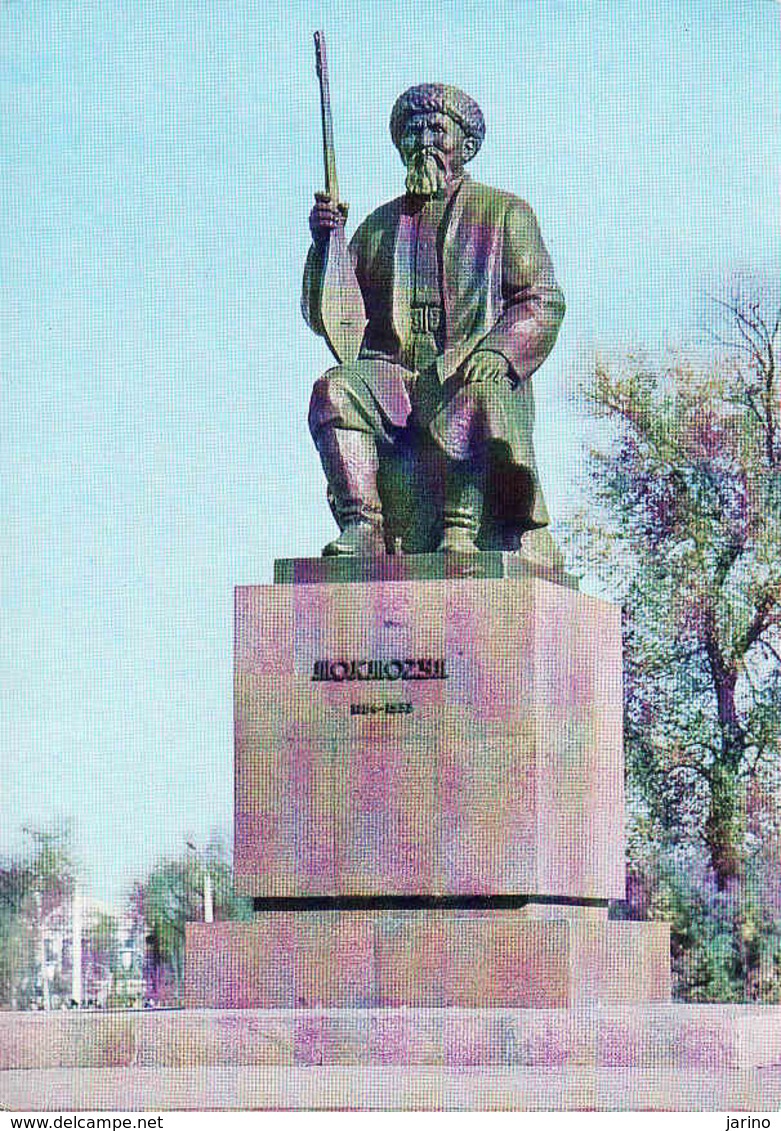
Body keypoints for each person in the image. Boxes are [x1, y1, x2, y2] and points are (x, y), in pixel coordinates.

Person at [303, 83, 565, 563]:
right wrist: (327, 245)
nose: (423, 140)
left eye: (436, 129)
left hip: (467, 367)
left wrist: (497, 353)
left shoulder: (504, 213)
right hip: (395, 378)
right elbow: (331, 318)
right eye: (412, 131)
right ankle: (363, 526)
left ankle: (460, 528)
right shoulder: (377, 227)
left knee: (476, 390)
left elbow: (541, 301)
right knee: (333, 390)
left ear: (464, 146)